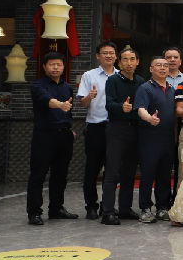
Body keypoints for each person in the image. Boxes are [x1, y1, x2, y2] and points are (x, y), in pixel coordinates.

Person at [26, 52, 78, 226]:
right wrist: (60, 105)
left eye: (59, 64)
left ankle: (56, 209)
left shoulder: (67, 87)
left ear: (63, 67)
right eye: (51, 64)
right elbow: (47, 101)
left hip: (64, 136)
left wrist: (69, 129)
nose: (55, 67)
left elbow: (69, 111)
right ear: (44, 66)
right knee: (38, 174)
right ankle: (34, 212)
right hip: (44, 135)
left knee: (60, 175)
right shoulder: (38, 86)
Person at [100, 48, 145, 225]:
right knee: (112, 171)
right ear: (119, 63)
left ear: (137, 62)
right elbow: (109, 104)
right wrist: (121, 107)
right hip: (117, 129)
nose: (129, 63)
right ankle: (108, 212)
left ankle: (125, 209)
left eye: (132, 59)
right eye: (125, 59)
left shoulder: (141, 81)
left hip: (135, 130)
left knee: (130, 171)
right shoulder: (113, 80)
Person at [76, 41, 117, 220]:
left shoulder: (121, 76)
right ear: (98, 56)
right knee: (92, 169)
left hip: (116, 128)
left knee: (112, 170)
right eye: (104, 53)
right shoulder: (89, 75)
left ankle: (107, 206)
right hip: (95, 128)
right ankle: (91, 206)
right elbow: (83, 103)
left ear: (116, 56)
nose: (108, 56)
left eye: (111, 53)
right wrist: (89, 97)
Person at [135, 56, 176, 223]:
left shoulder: (172, 89)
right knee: (148, 174)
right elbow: (140, 109)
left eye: (165, 65)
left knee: (165, 175)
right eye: (158, 65)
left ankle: (162, 207)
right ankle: (145, 209)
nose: (163, 68)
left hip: (168, 138)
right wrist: (149, 118)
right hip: (150, 138)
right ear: (151, 69)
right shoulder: (145, 88)